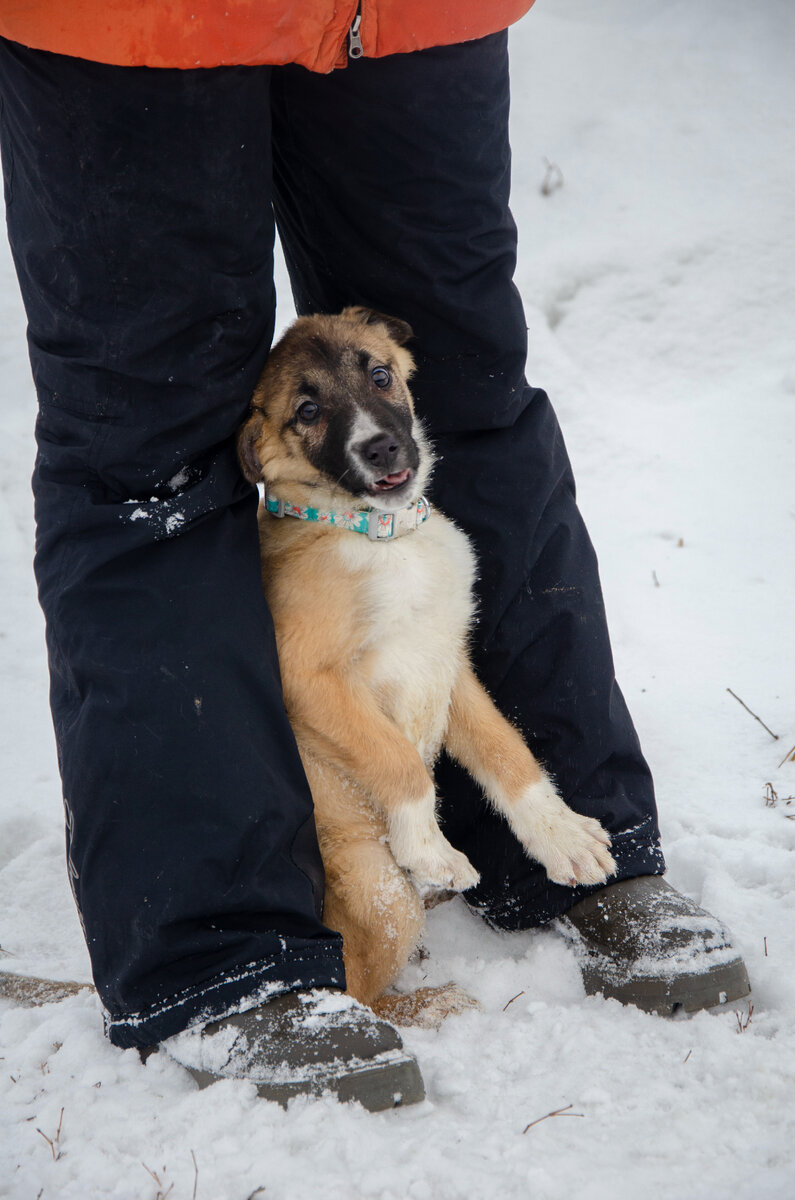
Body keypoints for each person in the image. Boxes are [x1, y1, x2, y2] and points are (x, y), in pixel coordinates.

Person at [0, 2, 749, 1110]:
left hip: (408, 12)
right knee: (148, 460)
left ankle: (565, 843)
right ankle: (223, 951)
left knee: (466, 386)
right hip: (132, 21)